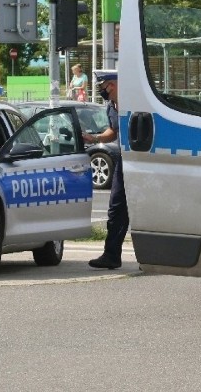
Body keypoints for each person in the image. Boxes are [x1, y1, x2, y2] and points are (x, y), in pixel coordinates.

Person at [83, 70, 127, 269]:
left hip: (142, 159)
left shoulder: (132, 103)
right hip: (124, 160)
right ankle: (112, 255)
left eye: (102, 87)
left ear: (112, 84)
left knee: (144, 209)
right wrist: (96, 138)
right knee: (116, 208)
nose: (101, 91)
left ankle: (152, 256)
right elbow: (113, 131)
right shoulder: (111, 106)